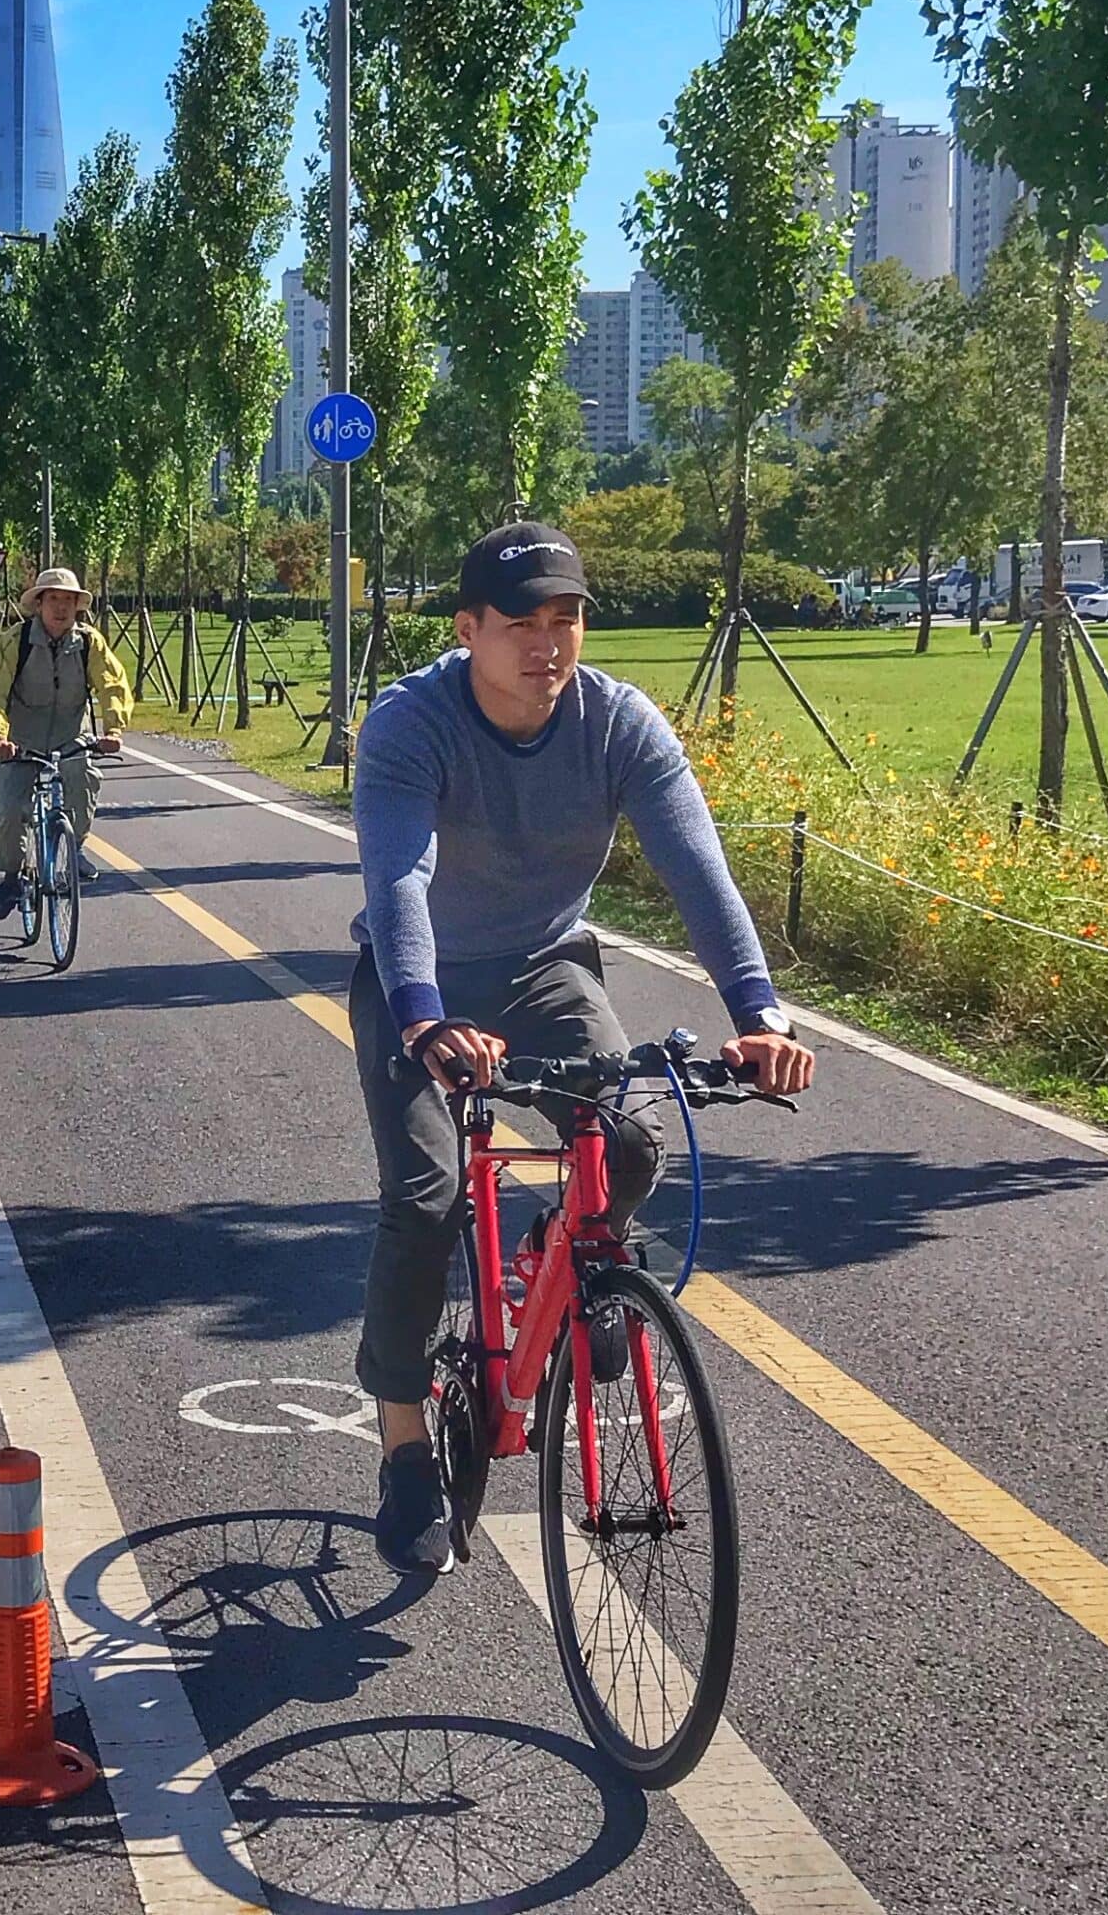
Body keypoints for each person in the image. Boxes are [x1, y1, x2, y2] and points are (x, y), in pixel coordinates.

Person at [349, 521, 816, 1578]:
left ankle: (579, 1264)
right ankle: (406, 1447)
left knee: (638, 1139)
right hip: (415, 984)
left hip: (546, 965)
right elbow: (399, 882)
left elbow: (700, 870)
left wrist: (761, 1014)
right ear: (467, 630)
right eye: (521, 624)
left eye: (566, 620)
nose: (548, 644)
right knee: (423, 1199)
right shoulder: (410, 724)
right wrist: (423, 1018)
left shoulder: (619, 723)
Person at [0, 567, 132, 915]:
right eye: (54, 599)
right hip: (20, 740)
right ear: (39, 603)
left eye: (69, 601)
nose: (61, 608)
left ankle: (73, 849)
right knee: (13, 810)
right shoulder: (17, 641)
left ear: (78, 606)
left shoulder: (89, 642)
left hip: (71, 736)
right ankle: (12, 876)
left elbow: (112, 684)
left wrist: (113, 729)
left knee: (84, 781)